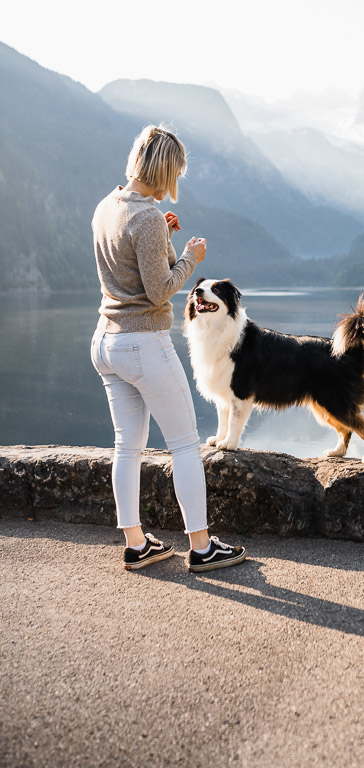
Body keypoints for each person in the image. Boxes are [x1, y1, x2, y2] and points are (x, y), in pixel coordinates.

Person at [90, 124, 246, 572]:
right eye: (176, 170)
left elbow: (128, 271)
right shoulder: (149, 218)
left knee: (127, 447)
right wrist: (190, 259)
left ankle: (137, 545)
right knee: (184, 444)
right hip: (143, 343)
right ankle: (201, 548)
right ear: (164, 169)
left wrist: (166, 240)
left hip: (106, 341)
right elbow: (159, 292)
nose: (176, 179)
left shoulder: (107, 206)